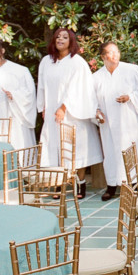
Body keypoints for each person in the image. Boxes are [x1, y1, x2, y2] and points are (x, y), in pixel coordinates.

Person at [36, 28, 103, 197]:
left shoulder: (77, 62)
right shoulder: (46, 61)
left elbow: (78, 88)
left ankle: (80, 184)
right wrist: (43, 106)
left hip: (73, 113)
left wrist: (63, 108)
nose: (60, 39)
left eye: (65, 37)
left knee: (75, 147)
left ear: (71, 41)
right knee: (54, 147)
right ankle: (58, 183)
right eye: (58, 36)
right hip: (52, 113)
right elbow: (42, 85)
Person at [93, 41, 138, 200]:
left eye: (117, 52)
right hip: (109, 124)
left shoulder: (132, 70)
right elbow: (90, 99)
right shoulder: (96, 77)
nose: (114, 55)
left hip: (131, 120)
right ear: (102, 56)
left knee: (134, 150)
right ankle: (112, 186)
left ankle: (136, 186)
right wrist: (97, 111)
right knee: (112, 153)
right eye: (110, 52)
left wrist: (131, 97)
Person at [0, 39, 37, 150]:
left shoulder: (19, 71)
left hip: (11, 116)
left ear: (2, 50)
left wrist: (14, 95)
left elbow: (29, 93)